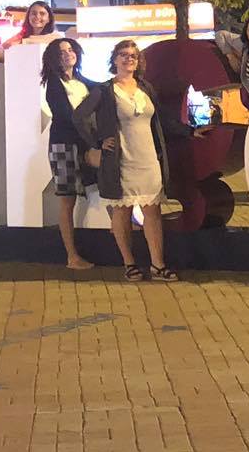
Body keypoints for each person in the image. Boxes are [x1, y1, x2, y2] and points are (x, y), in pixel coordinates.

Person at [75, 38, 188, 280]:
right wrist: (97, 141)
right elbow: (79, 117)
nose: (129, 59)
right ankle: (129, 263)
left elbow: (163, 118)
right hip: (121, 160)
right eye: (124, 54)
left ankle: (158, 265)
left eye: (133, 56)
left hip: (148, 159)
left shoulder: (145, 88)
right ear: (115, 59)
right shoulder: (105, 91)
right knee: (122, 212)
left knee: (153, 211)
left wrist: (189, 131)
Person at [40, 37, 95, 271]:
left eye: (71, 49)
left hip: (85, 145)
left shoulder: (83, 82)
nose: (68, 54)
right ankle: (72, 256)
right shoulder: (54, 84)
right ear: (54, 58)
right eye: (62, 52)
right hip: (64, 145)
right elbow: (65, 116)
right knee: (67, 201)